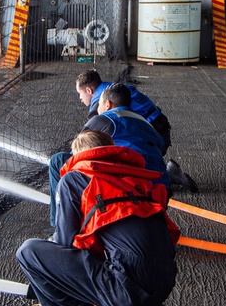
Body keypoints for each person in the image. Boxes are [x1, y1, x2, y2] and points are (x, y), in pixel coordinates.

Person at [16, 130, 179, 306]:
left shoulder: (74, 178)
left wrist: (49, 269)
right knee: (123, 248)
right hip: (165, 282)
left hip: (126, 291)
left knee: (29, 252)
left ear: (79, 156)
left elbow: (66, 243)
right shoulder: (137, 177)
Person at [49, 83, 171, 228]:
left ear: (108, 104)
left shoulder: (104, 119)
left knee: (58, 161)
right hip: (160, 190)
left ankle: (59, 226)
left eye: (99, 103)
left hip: (125, 186)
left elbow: (76, 153)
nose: (97, 108)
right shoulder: (147, 124)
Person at [75, 70, 197, 192]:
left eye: (80, 93)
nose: (80, 98)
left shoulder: (102, 101)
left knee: (99, 146)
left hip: (147, 139)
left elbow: (86, 140)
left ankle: (159, 173)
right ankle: (163, 172)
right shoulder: (117, 89)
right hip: (159, 134)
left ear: (89, 91)